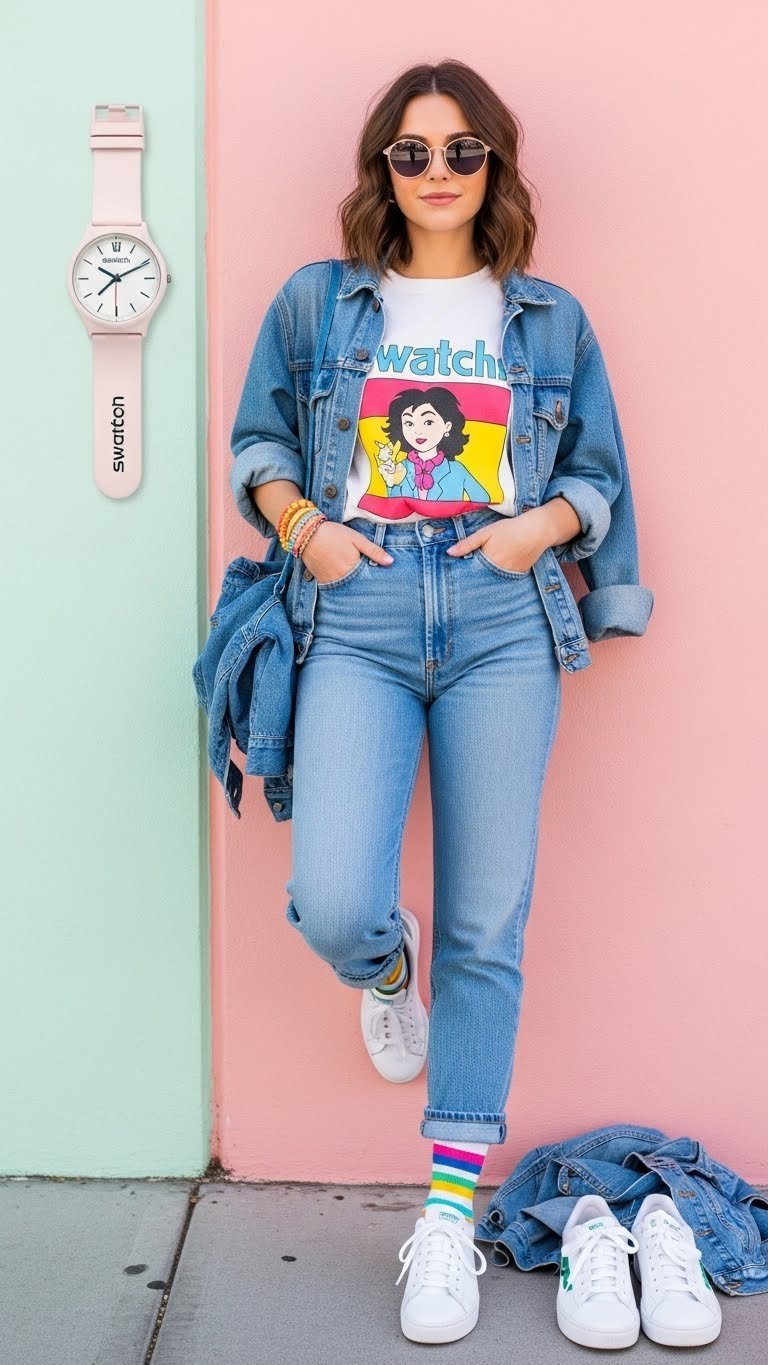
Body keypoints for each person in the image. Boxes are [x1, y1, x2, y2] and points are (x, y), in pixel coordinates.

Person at [229, 58, 653, 1346]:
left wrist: (539, 532)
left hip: (498, 616)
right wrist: (306, 530)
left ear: (495, 166)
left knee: (487, 920)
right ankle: (385, 964)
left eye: (462, 151)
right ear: (382, 168)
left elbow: (597, 474)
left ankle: (449, 1221)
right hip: (354, 612)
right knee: (335, 897)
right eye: (411, 153)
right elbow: (259, 446)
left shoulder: (550, 320)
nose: (437, 173)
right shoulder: (318, 301)